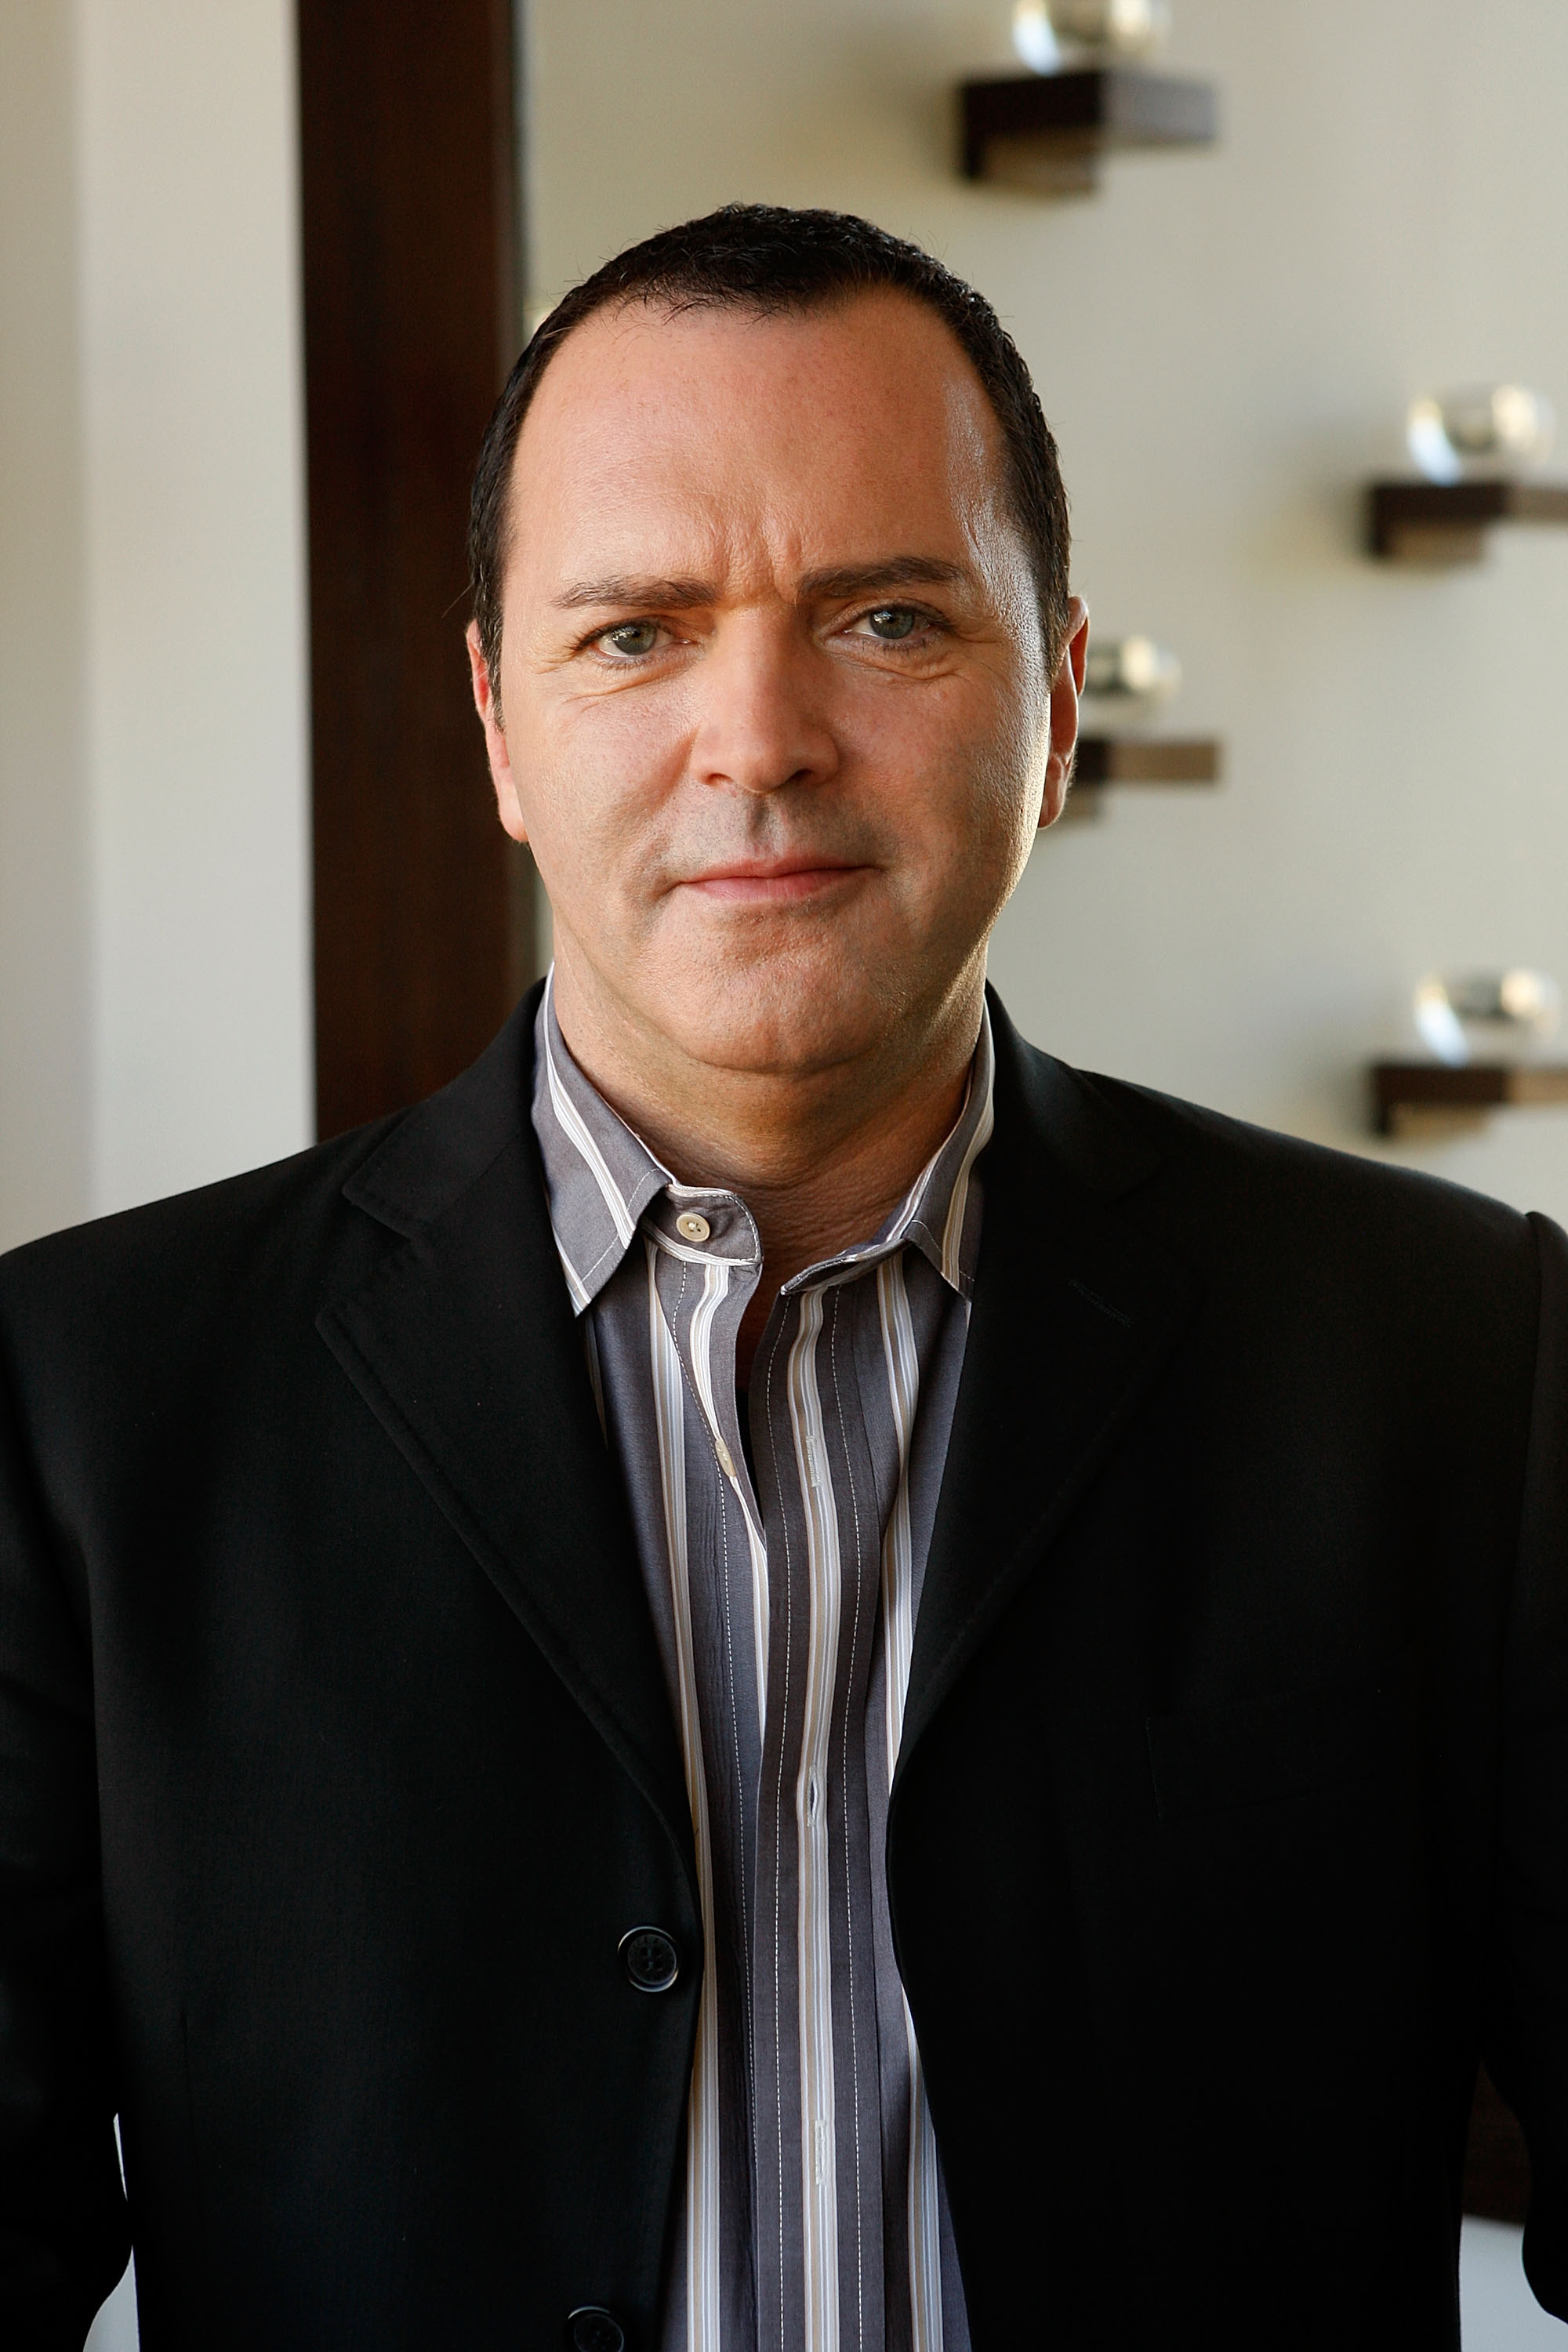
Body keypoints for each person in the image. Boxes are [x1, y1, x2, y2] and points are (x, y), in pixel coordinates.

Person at [1, 203, 1565, 2352]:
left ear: (1061, 690)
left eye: (891, 619)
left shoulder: (1460, 1362)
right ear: (496, 724)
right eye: (635, 634)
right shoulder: (88, 1403)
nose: (760, 738)